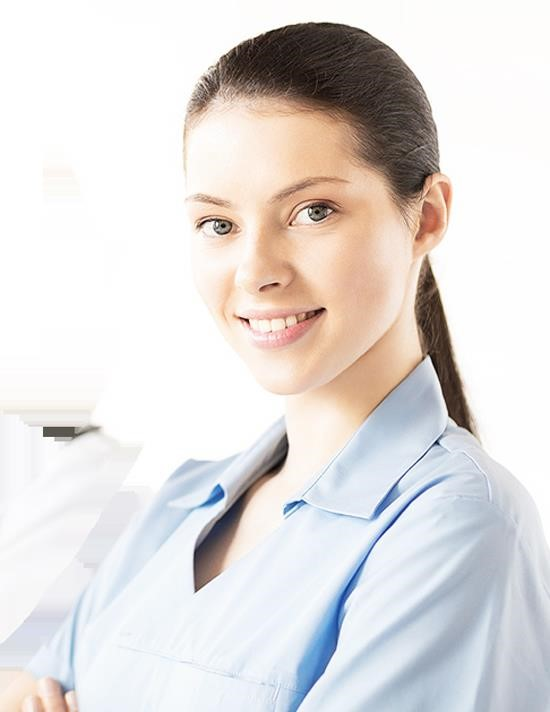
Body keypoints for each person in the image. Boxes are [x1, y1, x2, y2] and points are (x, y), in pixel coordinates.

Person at [3, 20, 549, 712]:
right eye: (219, 225)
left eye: (312, 212)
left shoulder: (456, 525)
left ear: (427, 216)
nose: (255, 270)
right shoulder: (180, 505)